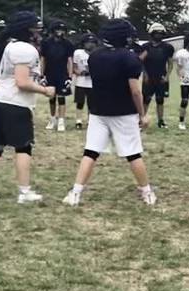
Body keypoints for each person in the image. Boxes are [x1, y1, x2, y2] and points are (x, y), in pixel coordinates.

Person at [63, 19, 157, 206]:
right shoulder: (130, 59)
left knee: (90, 152)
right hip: (124, 112)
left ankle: (75, 192)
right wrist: (142, 114)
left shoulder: (95, 56)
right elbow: (136, 91)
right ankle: (146, 192)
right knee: (133, 154)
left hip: (98, 111)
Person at [0, 11, 55, 204]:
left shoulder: (13, 46)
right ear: (27, 30)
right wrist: (45, 90)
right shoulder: (24, 49)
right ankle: (25, 193)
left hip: (1, 101)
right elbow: (22, 82)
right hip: (15, 104)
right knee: (24, 147)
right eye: (36, 29)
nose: (39, 33)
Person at [41, 20, 74, 132]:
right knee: (51, 97)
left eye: (62, 30)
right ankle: (52, 119)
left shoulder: (67, 44)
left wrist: (70, 77)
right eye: (57, 29)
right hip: (50, 73)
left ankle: (61, 121)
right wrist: (41, 75)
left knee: (61, 98)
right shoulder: (46, 43)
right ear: (53, 30)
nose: (60, 32)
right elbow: (43, 60)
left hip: (62, 74)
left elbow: (70, 61)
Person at [141, 22, 175, 128]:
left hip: (161, 78)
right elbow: (140, 62)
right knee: (146, 99)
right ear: (152, 34)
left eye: (161, 33)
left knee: (160, 100)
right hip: (148, 78)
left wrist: (167, 76)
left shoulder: (167, 47)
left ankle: (161, 121)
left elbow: (170, 63)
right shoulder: (145, 47)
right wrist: (145, 75)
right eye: (156, 33)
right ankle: (141, 120)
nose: (158, 35)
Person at [72, 33, 98, 129]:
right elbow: (74, 67)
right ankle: (78, 120)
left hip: (92, 82)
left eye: (92, 42)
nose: (90, 45)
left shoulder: (97, 53)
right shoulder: (78, 53)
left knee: (92, 103)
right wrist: (80, 72)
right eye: (87, 42)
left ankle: (90, 120)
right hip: (81, 81)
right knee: (80, 102)